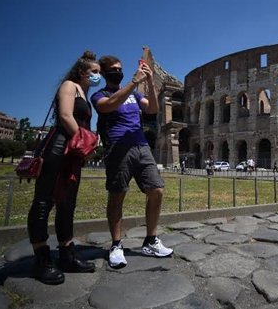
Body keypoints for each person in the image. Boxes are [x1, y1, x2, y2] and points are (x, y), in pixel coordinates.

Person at [91, 54, 173, 269]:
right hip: (118, 147)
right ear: (104, 72)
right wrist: (134, 82)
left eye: (120, 68)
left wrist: (150, 83)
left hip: (141, 146)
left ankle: (151, 240)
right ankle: (116, 244)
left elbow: (152, 109)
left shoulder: (135, 95)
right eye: (113, 69)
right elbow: (107, 106)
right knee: (118, 195)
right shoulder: (99, 94)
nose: (118, 72)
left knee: (156, 189)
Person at [27, 51, 100, 285]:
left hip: (73, 151)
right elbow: (66, 116)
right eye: (94, 72)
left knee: (67, 203)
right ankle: (42, 259)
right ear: (81, 72)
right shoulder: (69, 85)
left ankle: (67, 253)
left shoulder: (85, 94)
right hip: (59, 146)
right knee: (43, 202)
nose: (98, 76)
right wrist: (88, 142)